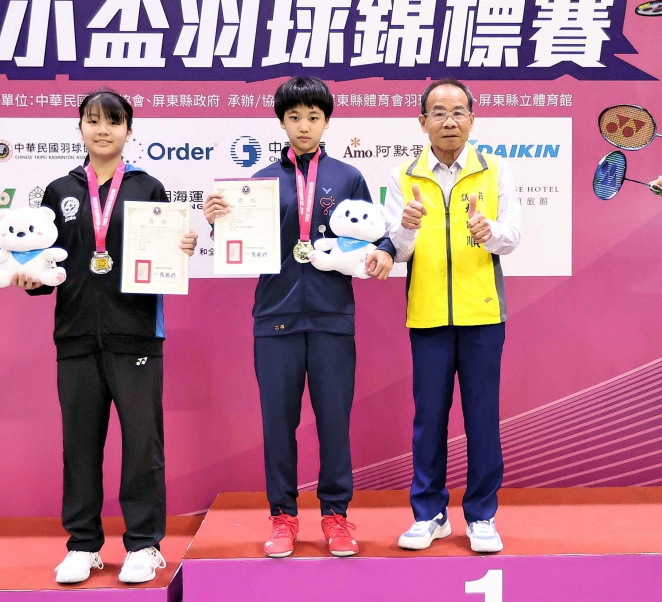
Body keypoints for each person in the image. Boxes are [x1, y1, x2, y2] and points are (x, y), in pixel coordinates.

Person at [203, 77, 394, 559]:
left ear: (326, 121)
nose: (304, 126)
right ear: (281, 122)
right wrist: (218, 220)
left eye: (313, 117)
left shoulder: (348, 177)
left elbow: (373, 234)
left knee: (334, 422)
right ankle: (283, 517)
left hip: (332, 317)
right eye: (294, 117)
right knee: (277, 424)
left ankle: (336, 516)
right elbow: (238, 242)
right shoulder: (260, 182)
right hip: (275, 318)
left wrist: (384, 251)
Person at [13, 91, 197, 584]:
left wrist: (180, 248)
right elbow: (46, 264)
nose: (102, 130)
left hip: (135, 334)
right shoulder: (58, 191)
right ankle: (82, 545)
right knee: (79, 446)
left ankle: (144, 545)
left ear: (129, 131)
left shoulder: (148, 188)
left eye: (113, 122)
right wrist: (30, 278)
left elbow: (164, 259)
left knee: (142, 445)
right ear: (79, 127)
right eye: (92, 121)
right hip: (75, 335)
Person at [383, 78, 521, 554]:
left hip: (482, 313)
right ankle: (429, 514)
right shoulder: (404, 176)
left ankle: (481, 515)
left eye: (458, 112)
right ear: (422, 121)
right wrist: (405, 229)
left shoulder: (494, 170)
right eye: (439, 113)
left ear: (472, 119)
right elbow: (397, 252)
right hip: (427, 316)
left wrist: (488, 231)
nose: (449, 121)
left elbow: (512, 236)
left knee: (483, 419)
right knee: (429, 420)